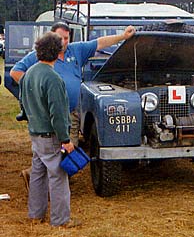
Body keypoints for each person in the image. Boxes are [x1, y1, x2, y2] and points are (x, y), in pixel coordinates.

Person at [11, 22, 136, 190]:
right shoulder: (39, 55)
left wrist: (123, 36)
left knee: (67, 150)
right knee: (54, 151)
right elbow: (15, 72)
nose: (64, 42)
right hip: (49, 113)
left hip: (72, 111)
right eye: (60, 38)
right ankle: (51, 184)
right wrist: (35, 90)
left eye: (66, 38)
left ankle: (37, 177)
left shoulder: (76, 50)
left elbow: (100, 42)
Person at [20, 32, 79, 227]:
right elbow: (59, 114)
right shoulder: (53, 78)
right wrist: (65, 139)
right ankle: (61, 220)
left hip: (35, 133)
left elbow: (24, 104)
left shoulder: (29, 73)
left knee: (38, 173)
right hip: (51, 135)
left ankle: (35, 215)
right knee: (58, 177)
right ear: (58, 51)